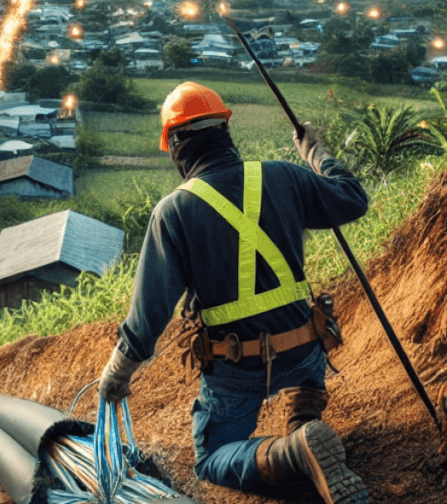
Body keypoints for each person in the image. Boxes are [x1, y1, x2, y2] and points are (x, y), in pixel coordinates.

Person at [97, 82, 370, 504]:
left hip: (236, 370)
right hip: (303, 350)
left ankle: (292, 451)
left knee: (211, 458)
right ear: (225, 131)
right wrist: (315, 153)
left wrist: (118, 372)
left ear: (175, 145)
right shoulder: (285, 176)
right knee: (302, 368)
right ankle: (304, 416)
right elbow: (352, 200)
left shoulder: (173, 211)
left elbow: (150, 315)